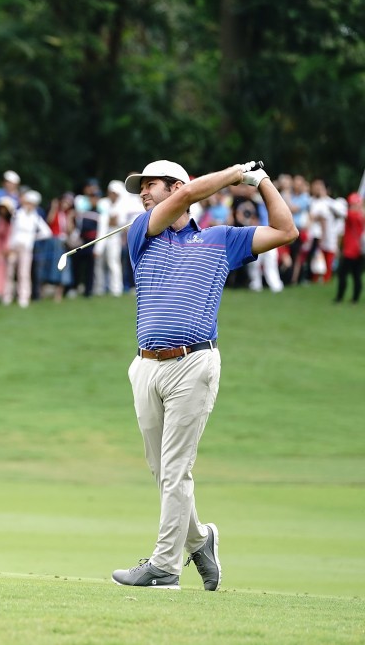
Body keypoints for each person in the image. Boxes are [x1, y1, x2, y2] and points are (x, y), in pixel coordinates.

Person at [112, 159, 297, 591]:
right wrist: (234, 174)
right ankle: (201, 540)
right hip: (144, 365)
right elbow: (187, 198)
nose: (142, 192)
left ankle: (163, 568)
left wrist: (261, 181)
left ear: (176, 184)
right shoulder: (144, 231)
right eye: (141, 187)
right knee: (161, 471)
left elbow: (286, 231)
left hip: (194, 363)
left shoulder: (221, 240)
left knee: (176, 470)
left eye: (150, 185)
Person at [334, 193, 364, 304]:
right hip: (359, 251)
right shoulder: (361, 215)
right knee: (357, 276)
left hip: (350, 251)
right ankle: (355, 299)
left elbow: (341, 212)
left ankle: (340, 297)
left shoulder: (353, 215)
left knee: (342, 274)